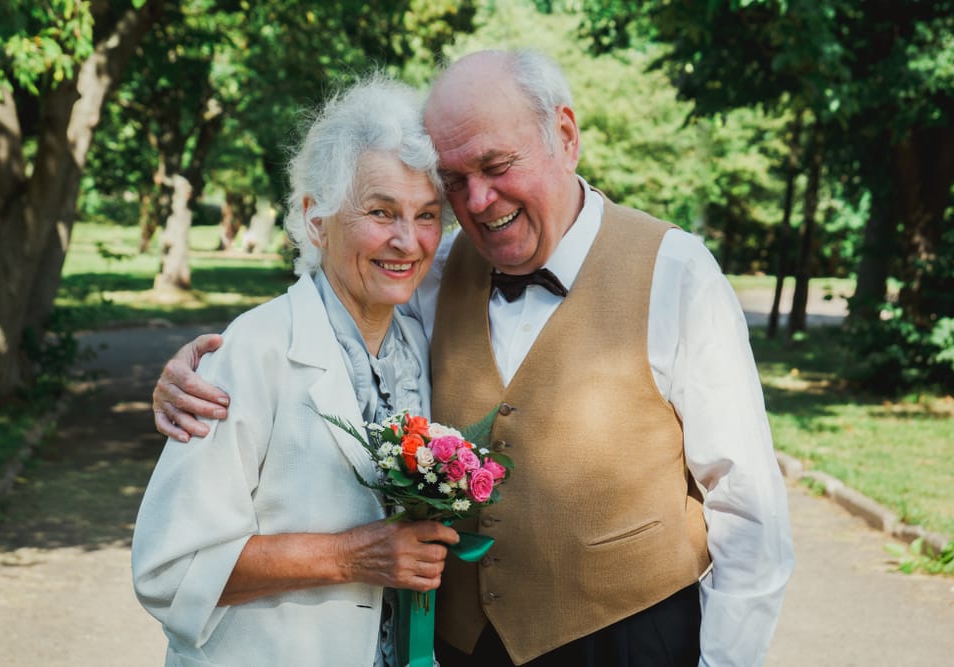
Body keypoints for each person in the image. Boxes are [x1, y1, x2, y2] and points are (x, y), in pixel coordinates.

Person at [153, 50, 794, 667]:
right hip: (457, 650)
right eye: (456, 182)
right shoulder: (432, 274)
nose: (480, 200)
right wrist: (199, 370)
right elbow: (333, 302)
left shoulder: (676, 272)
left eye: (497, 165)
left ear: (565, 135)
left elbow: (747, 505)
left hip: (629, 641)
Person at [131, 74, 459, 667]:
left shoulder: (419, 340)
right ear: (315, 219)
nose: (408, 240)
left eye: (428, 215)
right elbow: (167, 568)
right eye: (380, 211)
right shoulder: (252, 351)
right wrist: (349, 557)